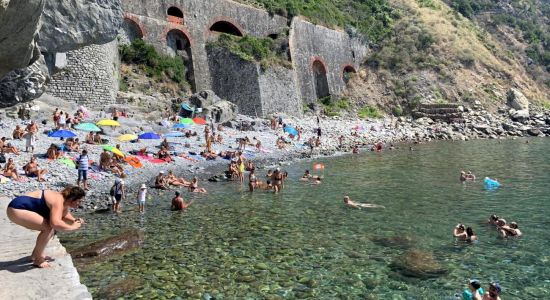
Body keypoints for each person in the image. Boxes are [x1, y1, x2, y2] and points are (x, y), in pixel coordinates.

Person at [6, 186, 85, 268]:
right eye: (79, 201)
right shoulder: (58, 200)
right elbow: (55, 223)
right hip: (17, 208)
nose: (80, 204)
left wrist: (74, 220)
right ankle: (38, 259)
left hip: (16, 207)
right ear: (72, 199)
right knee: (48, 228)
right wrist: (72, 227)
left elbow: (64, 214)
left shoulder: (63, 201)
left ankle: (35, 255)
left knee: (49, 227)